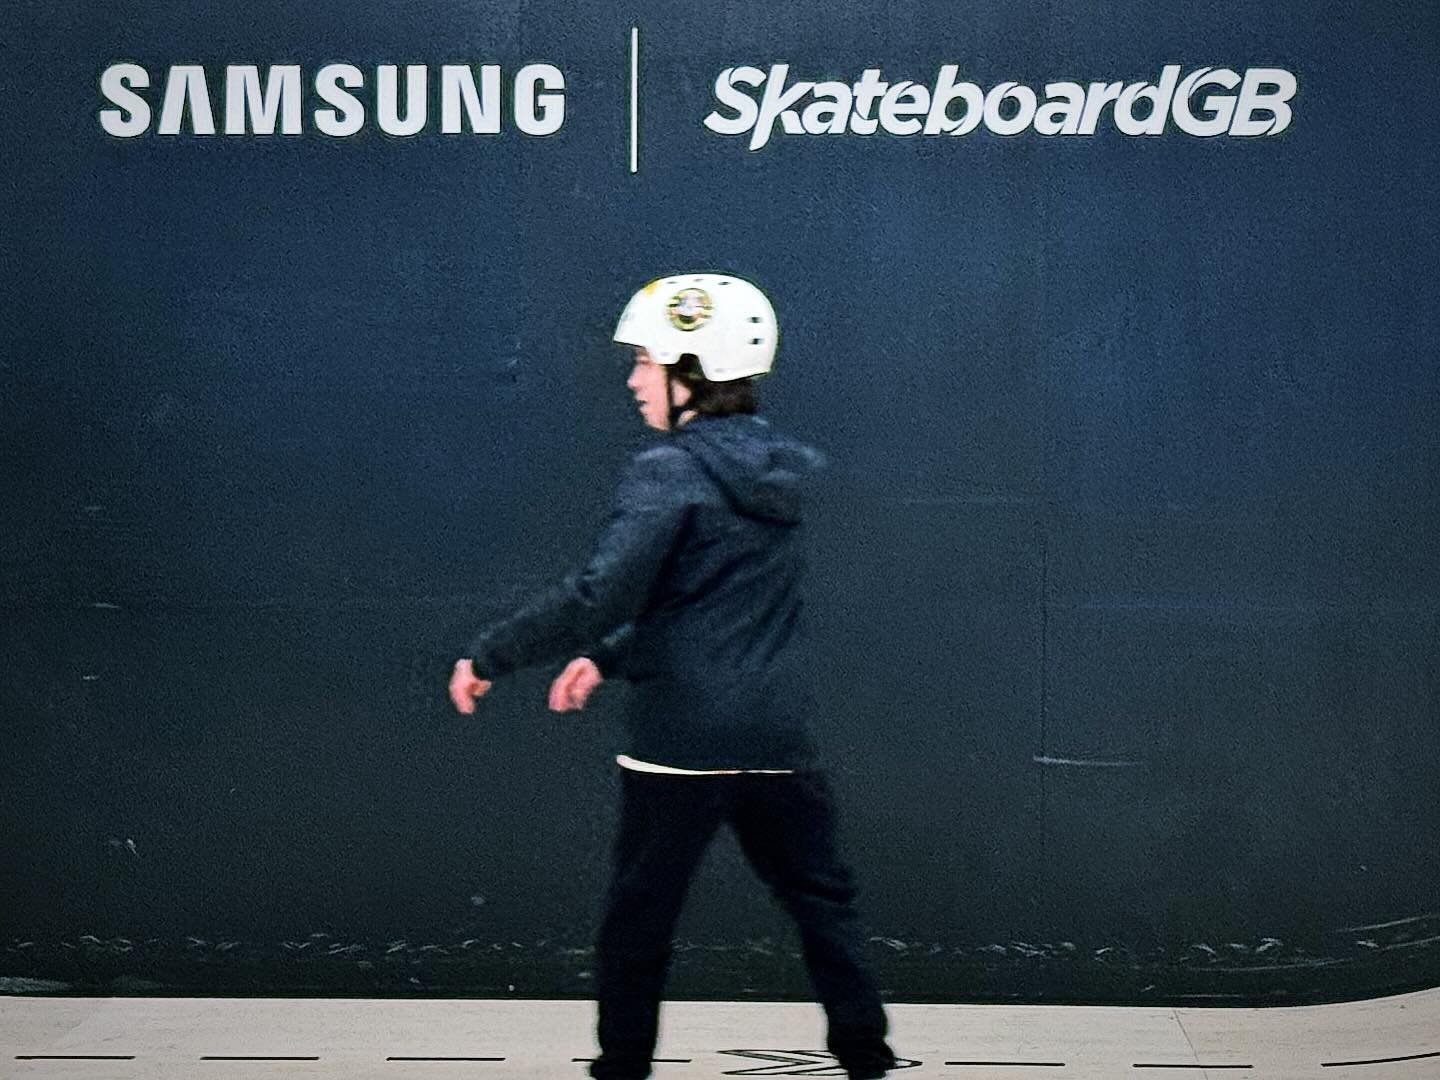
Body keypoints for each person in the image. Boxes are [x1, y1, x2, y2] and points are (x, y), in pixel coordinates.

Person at [449, 273, 898, 1080]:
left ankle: (623, 1068)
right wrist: (609, 657)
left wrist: (493, 655)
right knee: (822, 906)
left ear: (691, 368)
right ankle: (866, 1055)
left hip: (682, 741)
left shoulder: (668, 471)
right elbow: (708, 605)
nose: (631, 381)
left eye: (645, 363)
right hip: (775, 734)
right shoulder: (787, 474)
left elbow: (600, 594)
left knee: (639, 920)